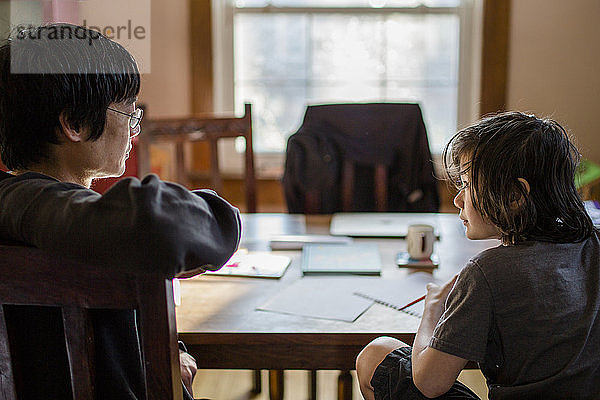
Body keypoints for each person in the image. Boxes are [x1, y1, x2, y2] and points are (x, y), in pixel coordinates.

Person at [0, 24, 241, 399]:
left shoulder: (29, 207)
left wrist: (160, 354)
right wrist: (222, 217)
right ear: (74, 123)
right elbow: (161, 225)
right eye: (129, 115)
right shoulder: (25, 203)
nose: (134, 133)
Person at [356, 111, 600, 399]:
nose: (458, 199)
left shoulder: (488, 271)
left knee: (376, 354)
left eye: (468, 185)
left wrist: (433, 307)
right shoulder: (593, 243)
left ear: (514, 195)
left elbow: (429, 382)